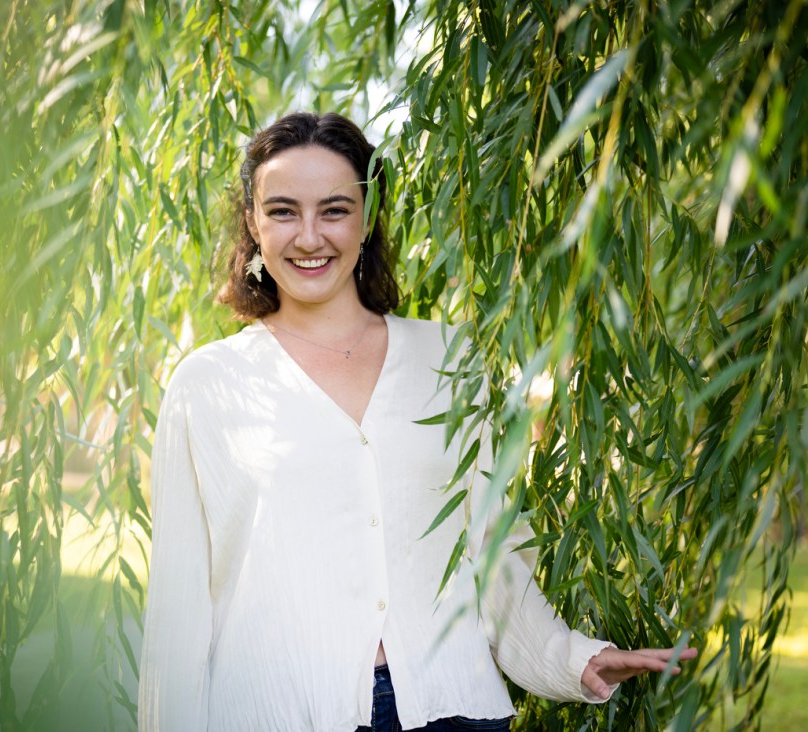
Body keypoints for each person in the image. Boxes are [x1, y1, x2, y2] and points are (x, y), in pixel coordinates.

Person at [137, 112, 695, 731]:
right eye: (284, 211)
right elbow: (178, 618)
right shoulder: (209, 385)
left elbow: (489, 551)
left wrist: (571, 659)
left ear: (368, 217)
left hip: (453, 710)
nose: (310, 236)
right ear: (252, 222)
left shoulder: (451, 359)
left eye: (335, 209)